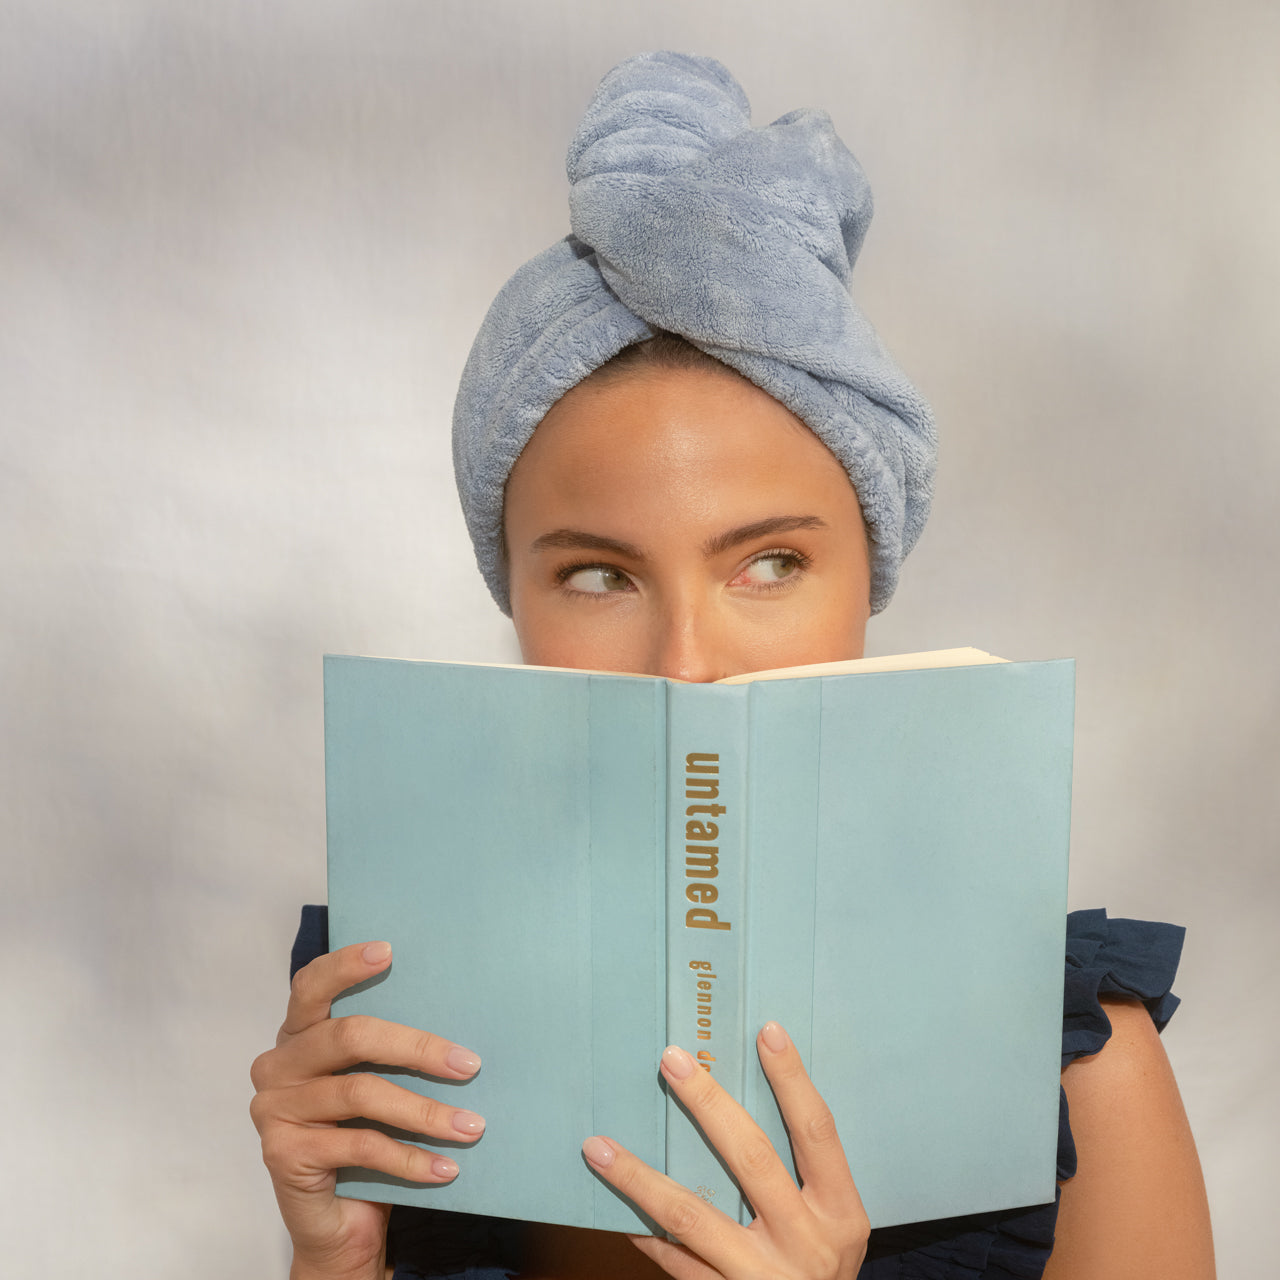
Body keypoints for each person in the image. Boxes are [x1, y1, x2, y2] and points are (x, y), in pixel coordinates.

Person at [250, 53, 1215, 1280]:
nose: (686, 663)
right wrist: (332, 1260)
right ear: (514, 602)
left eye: (766, 563)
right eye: (597, 574)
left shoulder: (1078, 1064)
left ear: (869, 576)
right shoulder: (395, 1023)